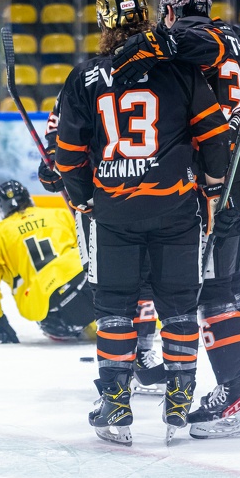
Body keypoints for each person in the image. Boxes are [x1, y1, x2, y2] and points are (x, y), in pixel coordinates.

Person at [54, 0, 231, 446]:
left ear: (103, 21)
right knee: (178, 309)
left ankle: (115, 405)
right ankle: (178, 405)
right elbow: (215, 136)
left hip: (113, 215)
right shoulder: (179, 69)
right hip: (175, 210)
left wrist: (82, 196)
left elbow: (67, 154)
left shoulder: (85, 77)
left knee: (115, 308)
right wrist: (213, 182)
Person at [111, 0, 240, 439]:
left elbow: (163, 44)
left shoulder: (196, 36)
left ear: (171, 11)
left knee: (212, 291)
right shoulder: (234, 39)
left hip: (222, 177)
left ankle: (236, 396)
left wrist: (120, 59)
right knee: (233, 287)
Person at [38, 91, 164, 396]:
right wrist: (54, 163)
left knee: (146, 278)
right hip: (97, 198)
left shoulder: (159, 74)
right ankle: (121, 363)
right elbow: (58, 138)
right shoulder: (82, 83)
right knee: (109, 281)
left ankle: (141, 353)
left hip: (148, 192)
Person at [0, 180, 95, 344]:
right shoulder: (59, 215)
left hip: (51, 312)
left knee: (67, 319)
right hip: (86, 285)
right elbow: (92, 247)